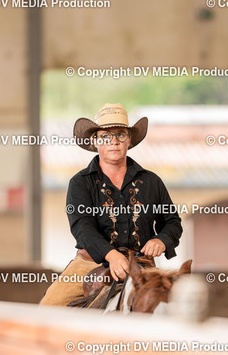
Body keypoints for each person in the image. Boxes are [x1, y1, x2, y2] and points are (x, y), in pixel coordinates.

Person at [40, 103, 183, 306]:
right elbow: (82, 227)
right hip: (90, 263)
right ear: (95, 141)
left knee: (178, 306)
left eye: (120, 135)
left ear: (129, 140)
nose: (114, 141)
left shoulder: (152, 182)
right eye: (105, 136)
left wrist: (161, 240)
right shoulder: (80, 183)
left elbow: (172, 221)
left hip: (141, 265)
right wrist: (111, 255)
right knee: (48, 306)